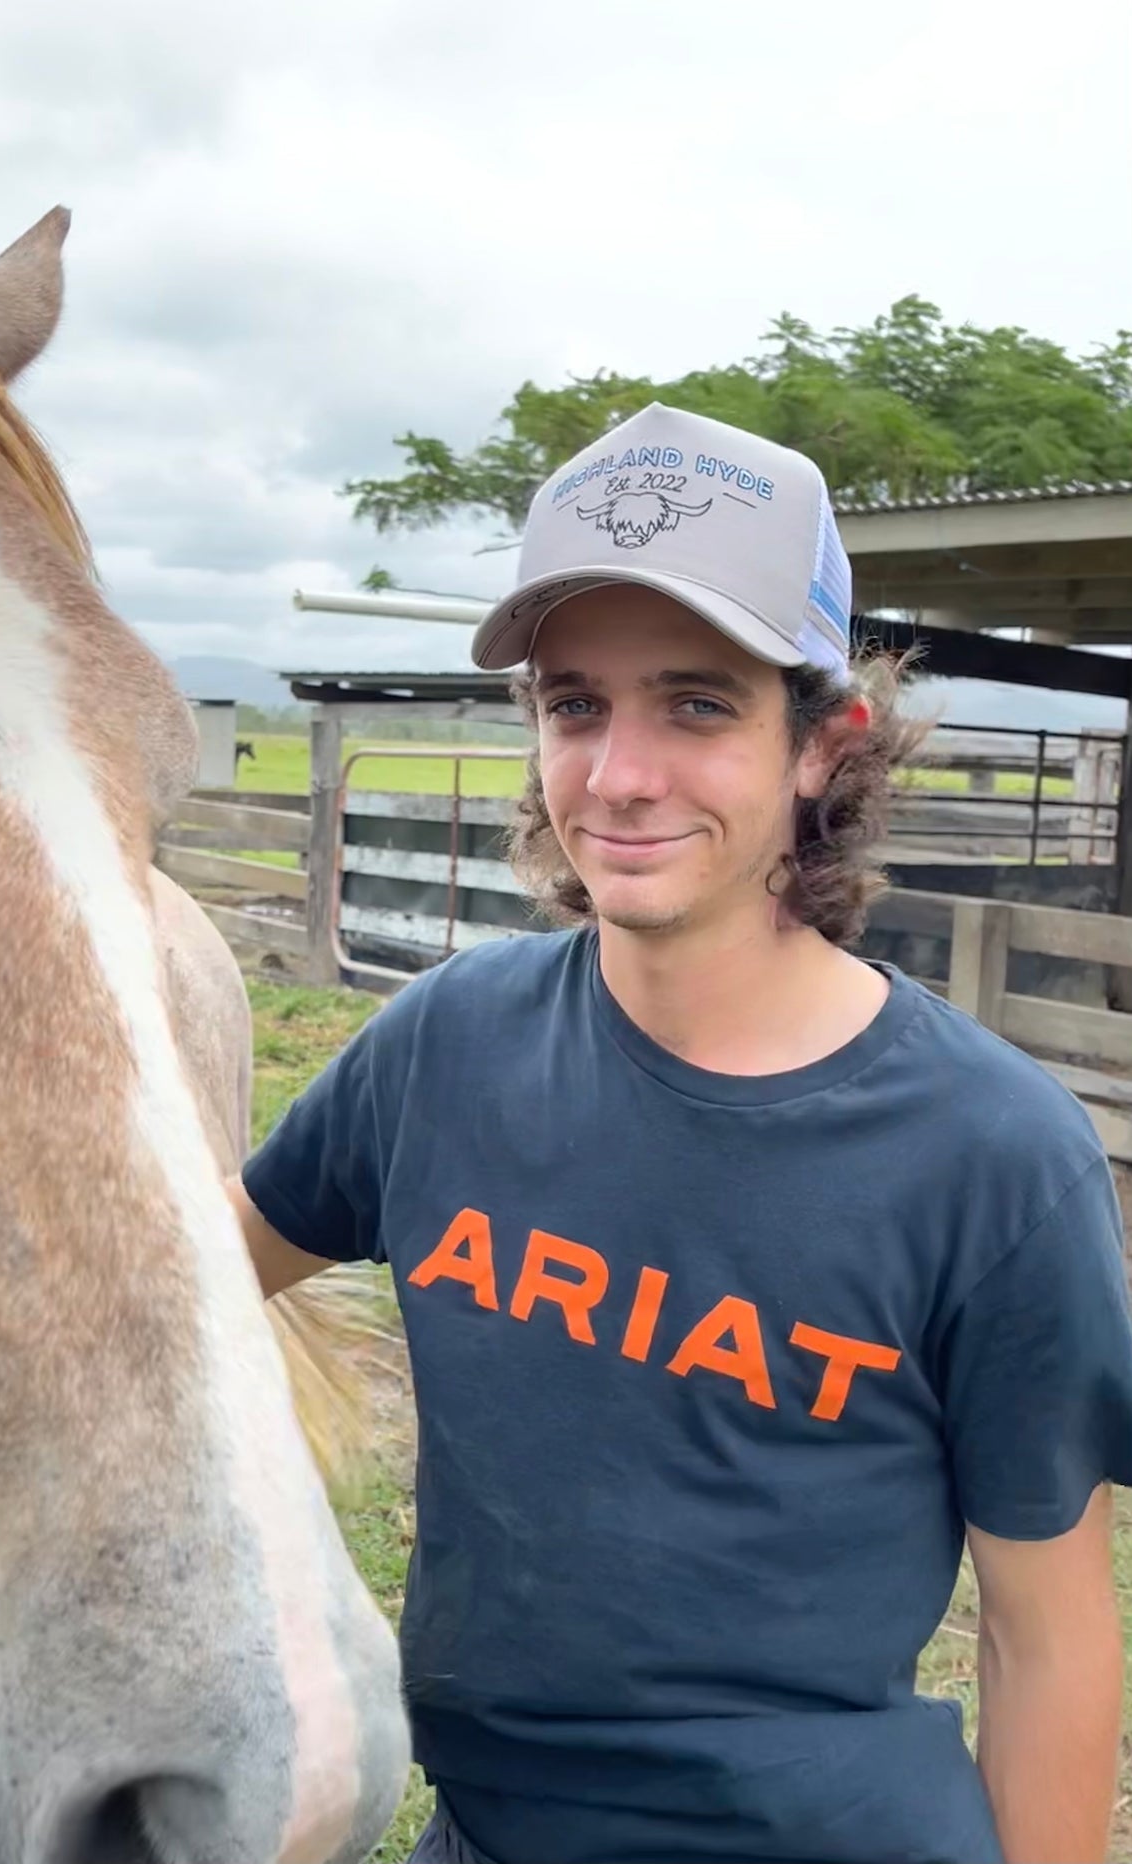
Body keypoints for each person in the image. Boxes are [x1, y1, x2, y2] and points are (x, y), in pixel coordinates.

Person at [228, 402, 1132, 1864]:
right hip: (485, 1831)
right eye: (574, 704)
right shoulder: (447, 1045)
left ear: (818, 749)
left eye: (696, 705)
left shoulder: (991, 1154)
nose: (617, 774)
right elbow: (181, 1280)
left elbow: (1045, 1638)